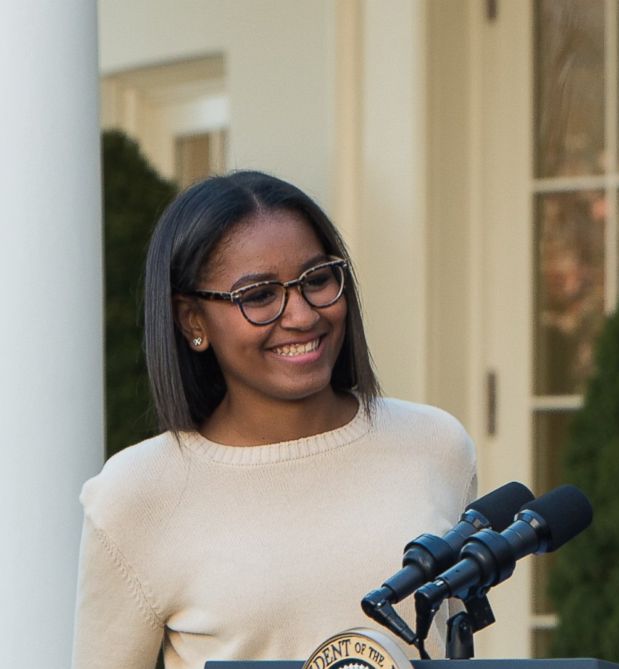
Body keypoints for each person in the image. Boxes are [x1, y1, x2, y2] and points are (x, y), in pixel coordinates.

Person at [72, 172, 478, 669]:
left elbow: (460, 647)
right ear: (192, 320)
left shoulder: (435, 446)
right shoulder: (138, 493)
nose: (303, 316)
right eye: (260, 295)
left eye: (318, 280)